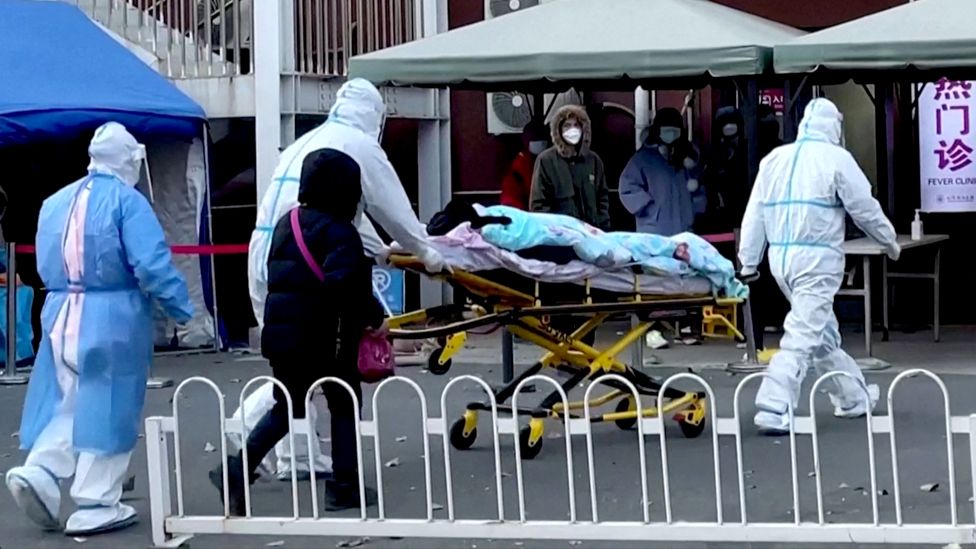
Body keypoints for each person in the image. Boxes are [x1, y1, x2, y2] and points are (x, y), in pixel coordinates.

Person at [237, 78, 449, 481]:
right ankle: (259, 435)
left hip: (270, 256)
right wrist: (427, 252)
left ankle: (295, 459)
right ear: (375, 114)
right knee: (326, 374)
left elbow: (342, 212)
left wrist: (379, 247)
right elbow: (389, 208)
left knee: (290, 364)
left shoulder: (309, 141)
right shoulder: (361, 146)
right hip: (314, 274)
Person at [5, 122, 193, 535]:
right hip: (113, 315)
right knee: (110, 402)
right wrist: (181, 307)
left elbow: (43, 262)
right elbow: (150, 263)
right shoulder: (129, 202)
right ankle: (95, 501)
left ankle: (40, 469)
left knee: (64, 401)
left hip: (59, 311)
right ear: (128, 159)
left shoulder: (55, 202)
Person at [211, 148, 386, 514]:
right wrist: (372, 316)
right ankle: (344, 485)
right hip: (326, 336)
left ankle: (236, 469)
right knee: (344, 403)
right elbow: (346, 288)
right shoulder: (341, 232)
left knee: (287, 406)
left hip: (285, 335)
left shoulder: (286, 222)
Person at [738, 98, 900, 435]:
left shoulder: (774, 159)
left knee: (822, 334)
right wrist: (888, 240)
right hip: (818, 259)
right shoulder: (836, 158)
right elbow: (864, 207)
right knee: (803, 334)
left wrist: (748, 260)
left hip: (780, 260)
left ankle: (852, 397)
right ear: (834, 127)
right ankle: (773, 403)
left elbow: (755, 213)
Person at [619, 107, 706, 236]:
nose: (670, 135)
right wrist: (649, 208)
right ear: (657, 131)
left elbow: (699, 187)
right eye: (666, 130)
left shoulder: (688, 158)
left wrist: (693, 210)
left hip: (685, 231)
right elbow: (627, 187)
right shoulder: (642, 159)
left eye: (674, 131)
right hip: (652, 232)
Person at [530, 105, 610, 231]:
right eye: (567, 125)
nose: (572, 130)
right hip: (560, 238)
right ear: (558, 130)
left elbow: (602, 197)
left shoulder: (593, 160)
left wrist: (602, 226)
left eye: (576, 125)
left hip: (592, 235)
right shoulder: (546, 160)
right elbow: (538, 203)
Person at [699, 107, 748, 235]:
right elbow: (707, 181)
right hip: (720, 215)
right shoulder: (713, 154)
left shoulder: (749, 152)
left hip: (746, 211)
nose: (732, 137)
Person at [500, 119, 548, 210]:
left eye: (543, 140)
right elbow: (510, 198)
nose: (541, 143)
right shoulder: (520, 165)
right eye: (536, 139)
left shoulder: (553, 162)